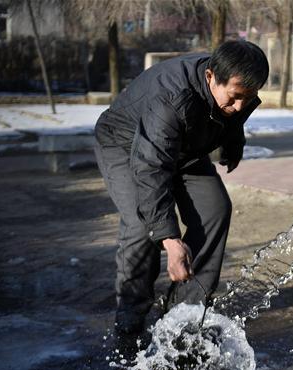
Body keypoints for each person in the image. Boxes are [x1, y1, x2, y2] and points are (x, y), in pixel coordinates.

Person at [93, 40, 268, 335]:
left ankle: (185, 314)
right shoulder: (172, 95)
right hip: (125, 144)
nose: (240, 106)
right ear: (211, 76)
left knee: (215, 209)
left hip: (183, 148)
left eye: (248, 98)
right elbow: (151, 167)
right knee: (141, 226)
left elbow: (233, 116)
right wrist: (171, 240)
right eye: (236, 97)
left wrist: (232, 146)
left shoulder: (235, 88)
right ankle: (130, 321)